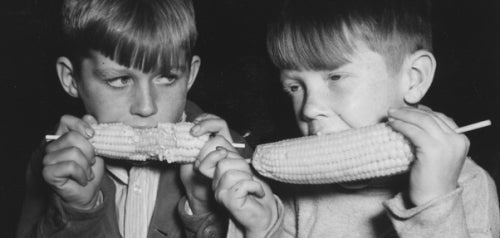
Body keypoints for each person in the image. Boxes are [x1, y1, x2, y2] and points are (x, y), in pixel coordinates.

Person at [198, 0, 500, 237]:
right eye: (294, 87)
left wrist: (434, 204)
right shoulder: (297, 190)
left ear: (414, 78)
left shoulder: (469, 188)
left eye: (335, 76)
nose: (309, 108)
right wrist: (262, 229)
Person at [16, 0, 251, 237]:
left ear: (190, 76)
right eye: (120, 80)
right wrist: (76, 212)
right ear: (71, 79)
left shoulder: (233, 161)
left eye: (167, 77)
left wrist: (205, 212)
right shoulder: (53, 162)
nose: (146, 107)